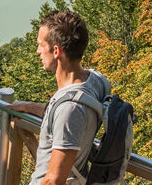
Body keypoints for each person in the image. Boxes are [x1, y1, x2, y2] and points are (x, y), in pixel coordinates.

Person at [10, 10, 111, 185]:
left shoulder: (70, 109)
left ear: (56, 51)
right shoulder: (96, 81)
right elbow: (68, 119)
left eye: (41, 45)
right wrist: (29, 107)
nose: (37, 51)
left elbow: (54, 179)